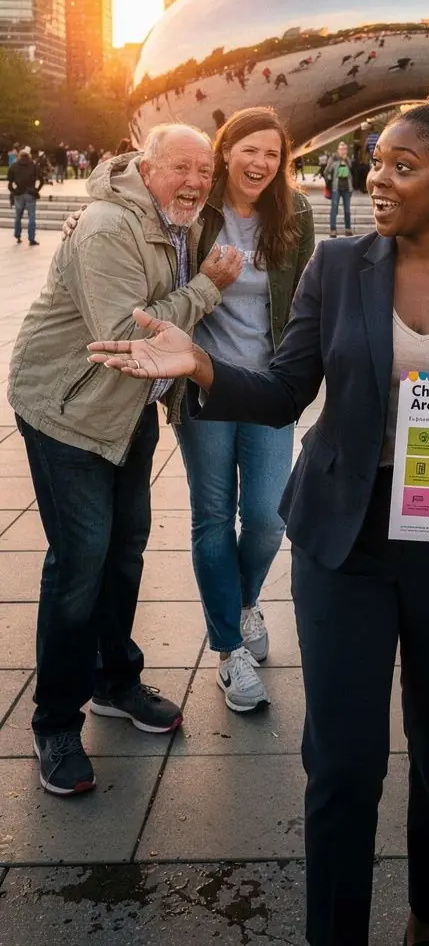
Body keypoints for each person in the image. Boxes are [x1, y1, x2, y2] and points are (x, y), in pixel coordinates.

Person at [89, 75, 429, 946]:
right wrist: (201, 369)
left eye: (402, 167)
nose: (377, 179)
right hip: (345, 538)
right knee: (342, 762)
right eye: (375, 163)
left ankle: (426, 914)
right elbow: (288, 388)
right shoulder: (339, 266)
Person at [7, 125, 244, 796]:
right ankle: (54, 721)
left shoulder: (179, 220)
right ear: (146, 167)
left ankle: (116, 682)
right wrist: (206, 287)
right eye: (180, 168)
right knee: (80, 564)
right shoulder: (110, 227)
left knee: (125, 553)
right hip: (69, 412)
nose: (194, 180)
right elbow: (125, 336)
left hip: (128, 412)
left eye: (204, 168)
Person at [174, 108, 314, 712]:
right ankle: (231, 651)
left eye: (272, 155)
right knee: (213, 516)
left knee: (266, 518)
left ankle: (244, 600)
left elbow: (306, 298)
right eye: (248, 151)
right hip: (203, 383)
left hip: (266, 387)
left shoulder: (296, 215)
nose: (260, 164)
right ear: (225, 150)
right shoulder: (196, 210)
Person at [8, 146, 44, 246]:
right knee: (32, 217)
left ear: (19, 156)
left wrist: (14, 191)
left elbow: (10, 184)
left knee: (18, 216)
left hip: (18, 193)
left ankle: (17, 235)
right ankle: (31, 238)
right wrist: (36, 190)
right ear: (29, 156)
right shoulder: (33, 165)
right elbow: (42, 180)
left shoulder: (14, 166)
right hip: (30, 193)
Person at [324, 139, 353, 238]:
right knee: (334, 209)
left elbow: (352, 170)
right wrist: (329, 180)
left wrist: (345, 160)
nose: (343, 151)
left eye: (344, 149)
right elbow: (326, 171)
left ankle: (348, 229)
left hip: (347, 188)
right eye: (341, 149)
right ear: (338, 150)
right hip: (336, 188)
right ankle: (333, 230)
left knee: (347, 210)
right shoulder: (333, 159)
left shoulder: (348, 159)